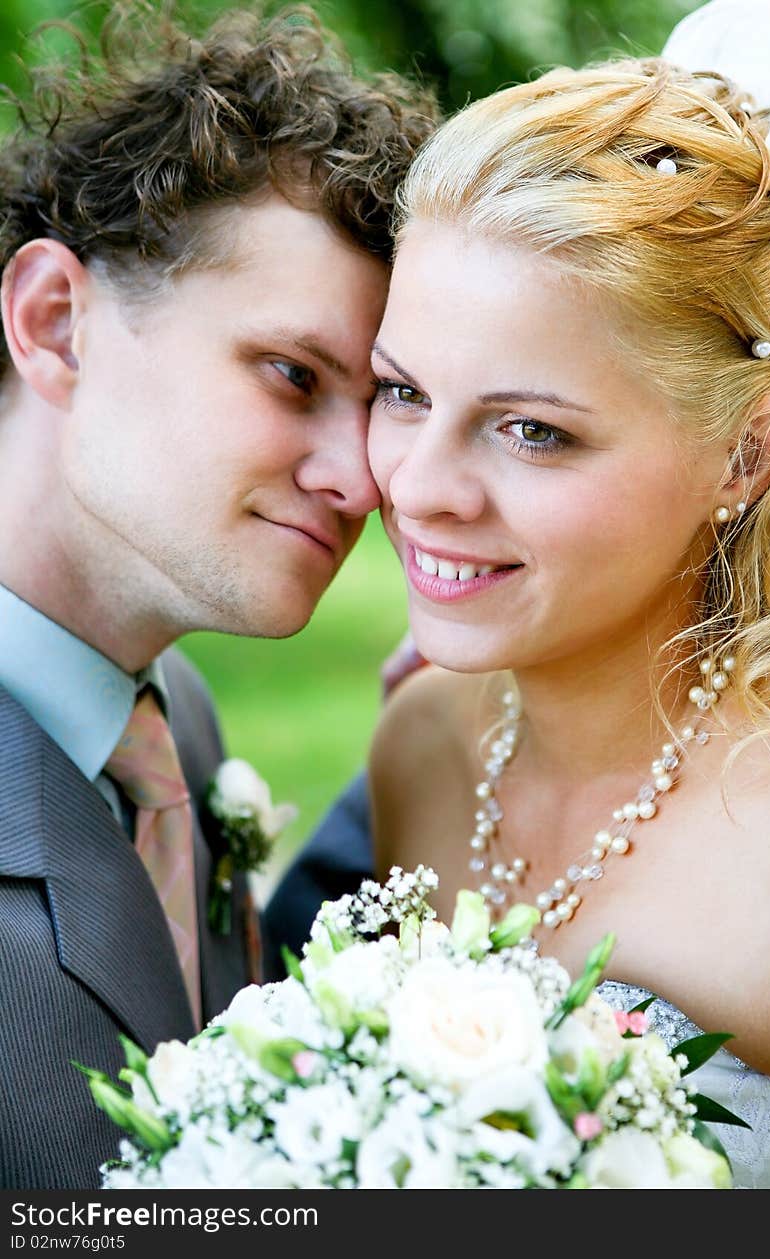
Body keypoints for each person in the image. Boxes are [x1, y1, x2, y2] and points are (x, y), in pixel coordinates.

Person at [267, 4, 770, 1188]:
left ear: (746, 457)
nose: (420, 487)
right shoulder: (423, 745)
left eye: (532, 431)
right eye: (402, 392)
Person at [0, 3, 434, 1190]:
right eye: (294, 375)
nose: (360, 479)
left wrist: (434, 774)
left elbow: (200, 1046)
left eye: (385, 401)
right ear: (56, 323)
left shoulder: (167, 715)